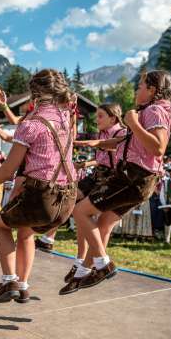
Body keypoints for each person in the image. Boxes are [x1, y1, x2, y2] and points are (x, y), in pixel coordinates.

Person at [61, 70, 171, 295]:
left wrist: (133, 122)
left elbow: (158, 148)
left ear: (152, 90)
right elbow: (126, 141)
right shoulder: (151, 111)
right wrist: (92, 144)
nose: (136, 90)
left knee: (80, 212)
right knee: (102, 224)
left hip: (134, 176)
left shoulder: (154, 110)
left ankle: (103, 264)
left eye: (141, 86)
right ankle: (84, 271)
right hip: (139, 179)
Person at [0, 69, 76, 304]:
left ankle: (9, 280)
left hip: (42, 195)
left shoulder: (31, 124)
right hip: (67, 198)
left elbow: (8, 170)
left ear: (34, 93)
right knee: (25, 232)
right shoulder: (65, 118)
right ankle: (23, 285)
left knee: (1, 224)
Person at [56, 103, 124, 279]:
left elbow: (115, 151)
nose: (96, 119)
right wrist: (85, 163)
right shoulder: (102, 133)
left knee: (102, 223)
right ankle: (76, 258)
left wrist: (90, 143)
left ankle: (88, 263)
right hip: (97, 174)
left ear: (113, 118)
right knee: (70, 197)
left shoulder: (122, 134)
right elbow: (101, 158)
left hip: (111, 178)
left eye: (100, 116)